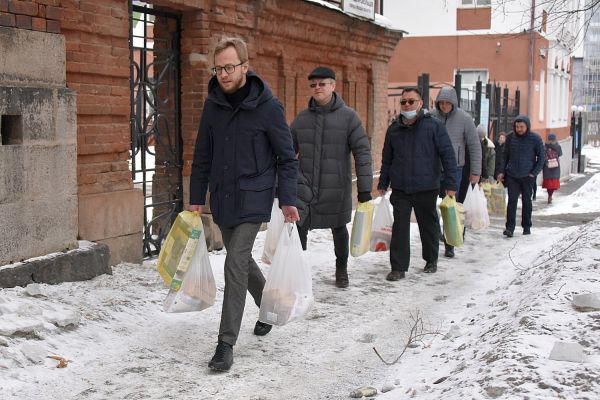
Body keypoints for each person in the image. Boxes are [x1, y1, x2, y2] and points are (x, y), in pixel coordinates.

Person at [189, 37, 299, 372]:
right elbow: (202, 156)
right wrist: (195, 199)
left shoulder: (268, 107)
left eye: (229, 67)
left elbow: (287, 158)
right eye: (218, 67)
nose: (223, 73)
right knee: (241, 259)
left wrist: (288, 200)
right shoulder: (213, 105)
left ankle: (225, 344)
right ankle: (270, 307)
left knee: (234, 262)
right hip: (223, 198)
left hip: (254, 196)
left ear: (245, 67)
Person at [291, 66, 373, 289]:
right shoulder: (301, 119)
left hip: (336, 187)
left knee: (338, 228)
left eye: (322, 84)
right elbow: (287, 154)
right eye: (313, 85)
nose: (317, 88)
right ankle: (297, 272)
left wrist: (365, 189)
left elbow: (363, 153)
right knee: (298, 228)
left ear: (333, 86)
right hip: (306, 189)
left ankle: (341, 269)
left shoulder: (349, 117)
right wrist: (286, 185)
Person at [377, 87, 457, 280]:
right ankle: (398, 267)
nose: (406, 105)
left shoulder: (434, 126)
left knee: (428, 225)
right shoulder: (394, 129)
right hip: (401, 187)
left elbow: (447, 155)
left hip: (426, 186)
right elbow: (387, 158)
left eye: (411, 101)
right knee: (400, 228)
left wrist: (451, 183)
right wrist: (383, 181)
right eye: (403, 102)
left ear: (420, 104)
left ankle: (431, 259)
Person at [430, 87, 481, 258]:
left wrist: (476, 171)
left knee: (451, 207)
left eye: (447, 103)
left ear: (454, 103)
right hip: (433, 167)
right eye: (441, 103)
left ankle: (450, 242)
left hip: (455, 168)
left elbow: (474, 146)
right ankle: (437, 231)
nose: (444, 106)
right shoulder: (431, 116)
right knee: (429, 203)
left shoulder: (465, 119)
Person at [496, 115, 545, 237]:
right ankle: (510, 228)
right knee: (512, 202)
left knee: (526, 202)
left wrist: (533, 173)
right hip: (512, 175)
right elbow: (504, 156)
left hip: (527, 176)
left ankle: (526, 226)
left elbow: (542, 158)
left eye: (521, 126)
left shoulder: (535, 139)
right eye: (517, 126)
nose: (519, 129)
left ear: (527, 126)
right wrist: (501, 171)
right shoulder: (510, 137)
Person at [542, 133, 562, 204]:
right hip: (555, 166)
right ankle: (551, 195)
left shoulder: (545, 146)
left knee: (548, 182)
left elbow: (543, 155)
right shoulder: (558, 146)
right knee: (554, 182)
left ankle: (549, 194)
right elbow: (560, 154)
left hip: (547, 166)